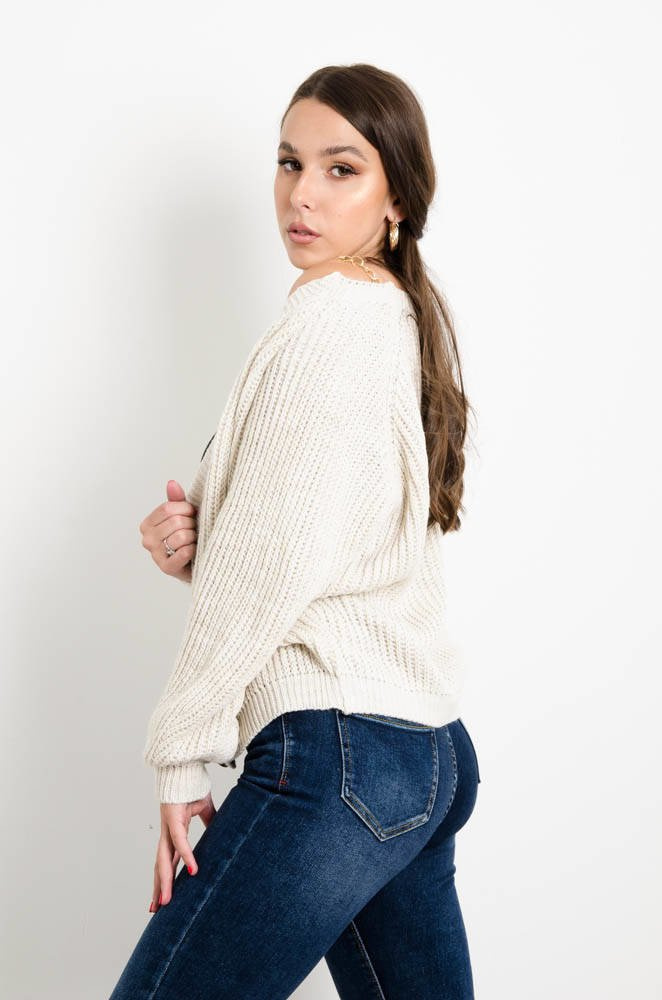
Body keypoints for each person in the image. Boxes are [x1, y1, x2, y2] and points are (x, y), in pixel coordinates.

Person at [111, 63, 482, 1000]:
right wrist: (210, 540)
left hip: (340, 757)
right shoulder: (396, 321)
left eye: (340, 169)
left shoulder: (329, 324)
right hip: (425, 753)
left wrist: (180, 754)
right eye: (289, 163)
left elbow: (267, 575)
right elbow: (319, 541)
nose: (301, 194)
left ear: (397, 195)